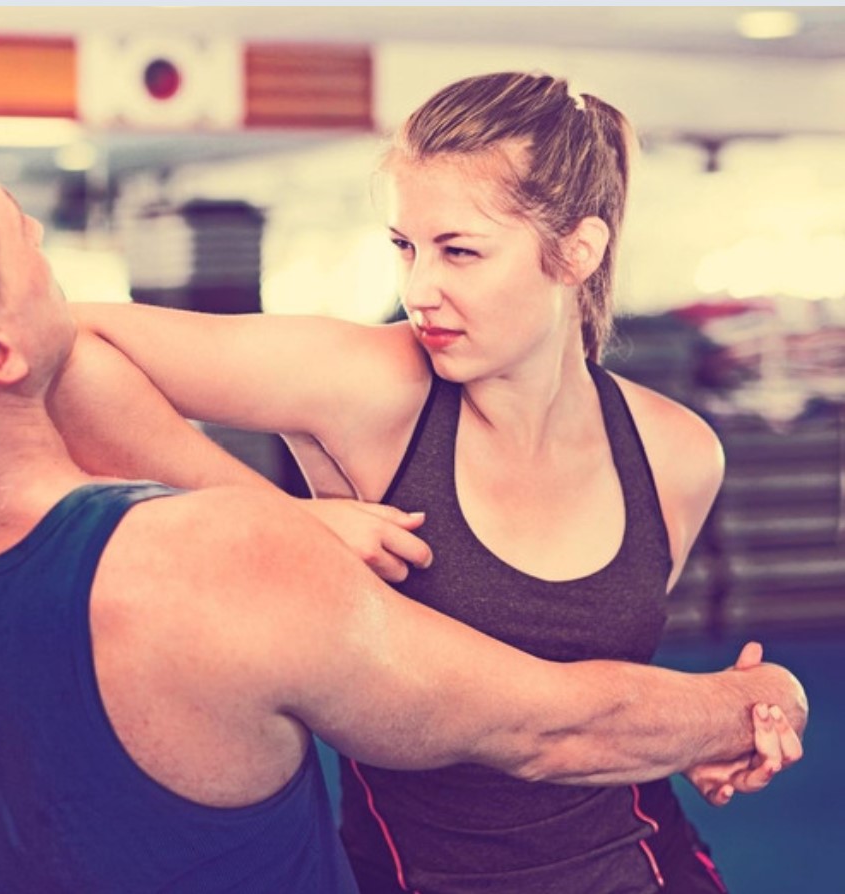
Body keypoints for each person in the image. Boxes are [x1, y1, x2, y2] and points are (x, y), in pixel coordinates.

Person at [0, 139, 805, 894]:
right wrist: (750, 706)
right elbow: (544, 727)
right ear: (0, 349)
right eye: (28, 247)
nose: (51, 261)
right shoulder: (210, 571)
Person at [52, 71, 780, 892]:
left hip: (649, 872)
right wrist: (278, 525)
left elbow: (578, 697)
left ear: (577, 250)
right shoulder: (369, 389)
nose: (419, 291)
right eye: (405, 246)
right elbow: (64, 347)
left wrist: (697, 737)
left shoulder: (678, 455)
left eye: (460, 251)